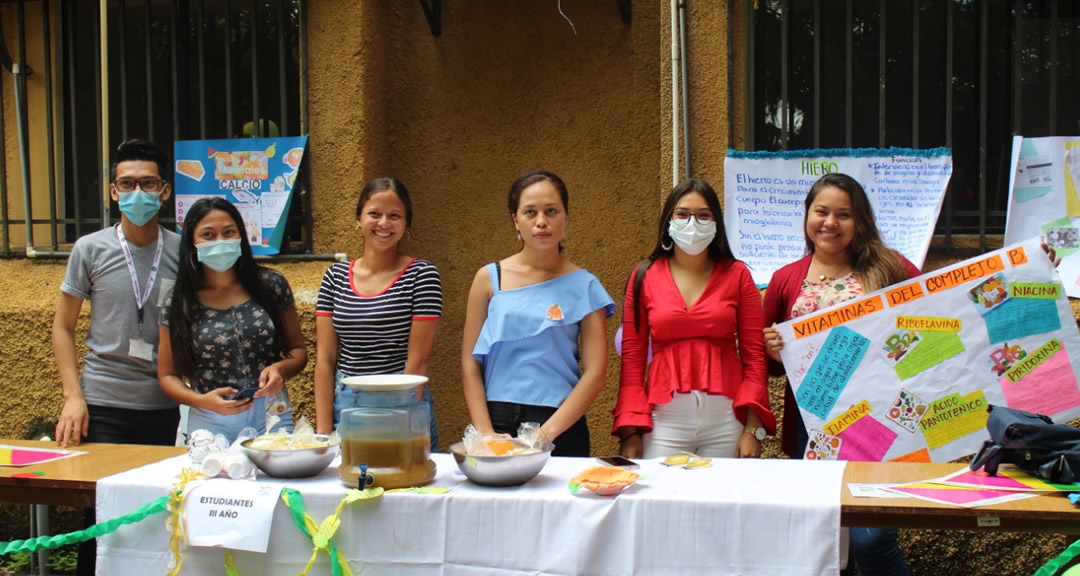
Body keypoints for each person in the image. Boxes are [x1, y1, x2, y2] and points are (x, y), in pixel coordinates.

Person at [763, 172, 918, 576]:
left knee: (873, 537)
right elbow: (767, 367)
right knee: (828, 539)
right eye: (822, 211)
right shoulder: (785, 280)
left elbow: (944, 308)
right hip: (812, 427)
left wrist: (1029, 267)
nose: (830, 223)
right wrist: (773, 352)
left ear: (860, 222)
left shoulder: (891, 268)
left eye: (844, 214)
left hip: (876, 422)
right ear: (807, 216)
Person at [51, 138, 181, 576]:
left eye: (147, 183)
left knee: (156, 521)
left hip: (165, 407)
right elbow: (63, 327)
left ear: (164, 191)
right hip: (103, 406)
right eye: (127, 184)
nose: (137, 193)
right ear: (113, 191)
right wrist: (74, 396)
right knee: (102, 523)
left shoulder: (184, 251)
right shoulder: (90, 249)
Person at [612, 178, 774, 459]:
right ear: (668, 222)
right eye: (682, 214)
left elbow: (755, 356)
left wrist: (752, 429)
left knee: (723, 502)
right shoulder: (643, 276)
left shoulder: (738, 275)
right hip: (664, 418)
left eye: (703, 215)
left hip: (726, 418)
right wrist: (630, 431)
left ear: (716, 223)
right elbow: (632, 359)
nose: (692, 223)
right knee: (661, 499)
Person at [461, 170, 615, 457]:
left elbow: (596, 374)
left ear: (566, 218)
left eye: (551, 211)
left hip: (560, 426)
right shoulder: (488, 278)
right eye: (530, 212)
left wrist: (543, 436)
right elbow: (470, 362)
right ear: (515, 220)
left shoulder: (586, 285)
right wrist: (485, 433)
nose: (541, 221)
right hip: (496, 423)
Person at [158, 197, 307, 444]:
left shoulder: (270, 285)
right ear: (192, 243)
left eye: (229, 232)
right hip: (210, 417)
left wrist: (280, 369)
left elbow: (298, 351)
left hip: (271, 412)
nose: (220, 241)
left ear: (241, 236)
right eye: (208, 235)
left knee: (276, 481)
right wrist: (201, 401)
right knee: (210, 481)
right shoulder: (179, 300)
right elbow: (167, 376)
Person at [314, 177, 442, 450]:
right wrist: (324, 433)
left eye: (394, 216)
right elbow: (325, 360)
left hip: (402, 402)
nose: (384, 223)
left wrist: (404, 423)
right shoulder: (334, 277)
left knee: (409, 488)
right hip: (347, 402)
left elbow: (417, 362)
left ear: (406, 224)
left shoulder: (422, 275)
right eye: (374, 214)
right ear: (358, 219)